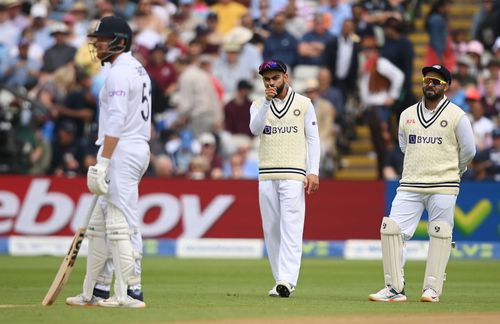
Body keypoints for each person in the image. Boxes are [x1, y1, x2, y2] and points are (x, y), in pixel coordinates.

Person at [368, 65, 476, 303]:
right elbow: (405, 146)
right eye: (427, 80)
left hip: (443, 184)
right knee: (391, 230)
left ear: (445, 86)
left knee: (440, 234)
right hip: (410, 184)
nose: (431, 85)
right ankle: (394, 289)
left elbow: (468, 151)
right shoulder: (407, 114)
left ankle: (432, 289)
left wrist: (451, 170)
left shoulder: (457, 115)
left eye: (436, 82)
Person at [66, 16, 151, 308]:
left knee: (122, 223)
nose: (97, 44)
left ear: (121, 42)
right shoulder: (135, 68)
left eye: (103, 39)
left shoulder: (119, 73)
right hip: (129, 147)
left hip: (122, 150)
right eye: (97, 39)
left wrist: (103, 161)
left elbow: (115, 120)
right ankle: (99, 289)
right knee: (102, 224)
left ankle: (132, 291)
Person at [249, 60, 320, 298]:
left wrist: (314, 171)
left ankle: (288, 280)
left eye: (275, 78)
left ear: (285, 78)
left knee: (291, 226)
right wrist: (267, 103)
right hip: (267, 173)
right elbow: (255, 129)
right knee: (271, 229)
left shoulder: (304, 104)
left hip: (293, 173)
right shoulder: (259, 104)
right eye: (267, 79)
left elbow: (313, 139)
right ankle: (279, 279)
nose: (270, 83)